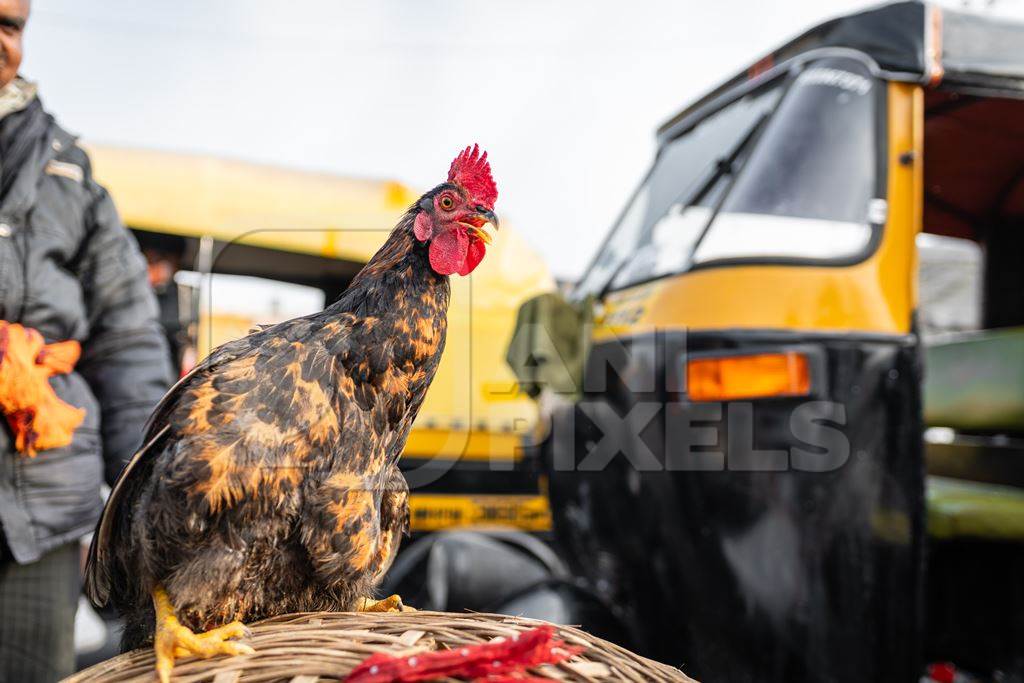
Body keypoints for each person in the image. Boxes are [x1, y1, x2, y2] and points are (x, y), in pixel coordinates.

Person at [0, 1, 174, 680]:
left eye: (10, 24)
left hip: (37, 510)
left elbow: (127, 340)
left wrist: (152, 496)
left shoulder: (68, 171)